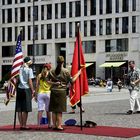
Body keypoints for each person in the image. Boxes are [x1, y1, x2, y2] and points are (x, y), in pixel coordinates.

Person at [48, 56, 81, 130]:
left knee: (54, 110)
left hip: (53, 91)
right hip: (62, 91)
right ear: (63, 62)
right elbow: (71, 81)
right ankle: (59, 126)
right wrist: (78, 74)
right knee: (59, 110)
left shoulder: (51, 71)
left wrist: (54, 83)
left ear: (57, 62)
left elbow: (47, 81)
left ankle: (54, 125)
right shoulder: (65, 71)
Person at [16, 56, 35, 130]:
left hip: (20, 88)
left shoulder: (19, 69)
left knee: (19, 108)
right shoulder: (29, 70)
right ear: (28, 62)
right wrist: (32, 90)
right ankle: (24, 125)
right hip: (26, 89)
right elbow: (30, 82)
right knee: (25, 109)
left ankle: (21, 125)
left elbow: (17, 80)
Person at [35, 63, 52, 129]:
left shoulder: (39, 75)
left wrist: (35, 95)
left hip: (40, 93)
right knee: (48, 110)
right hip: (48, 93)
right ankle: (49, 124)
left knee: (40, 110)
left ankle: (38, 125)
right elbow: (52, 84)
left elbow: (37, 86)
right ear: (49, 68)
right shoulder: (50, 75)